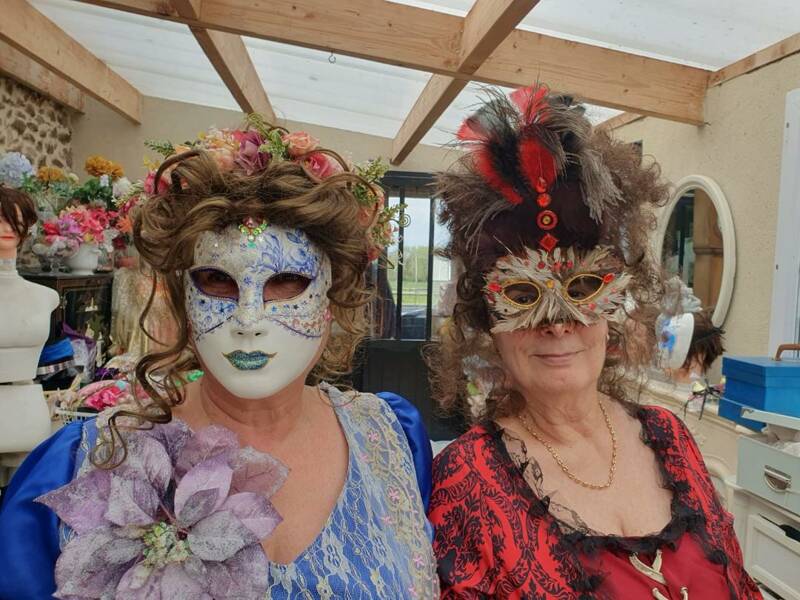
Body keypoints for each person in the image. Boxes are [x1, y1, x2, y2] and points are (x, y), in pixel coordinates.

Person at [0, 121, 439, 599]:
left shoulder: (391, 440)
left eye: (287, 282)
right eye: (216, 280)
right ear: (182, 295)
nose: (248, 319)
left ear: (333, 297)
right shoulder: (79, 465)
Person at [427, 85, 760, 599]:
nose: (558, 324)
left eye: (583, 288)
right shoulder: (467, 478)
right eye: (523, 294)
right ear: (488, 322)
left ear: (618, 303)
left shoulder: (668, 436)